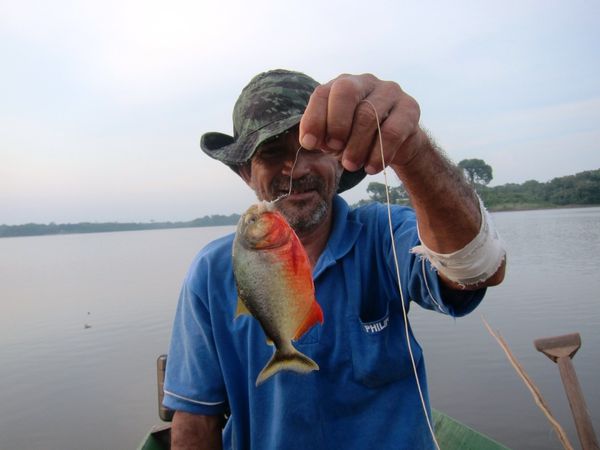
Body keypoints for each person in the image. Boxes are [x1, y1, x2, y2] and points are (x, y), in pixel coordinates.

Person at [163, 69, 506, 450]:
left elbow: (479, 269)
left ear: (340, 161)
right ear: (246, 172)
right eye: (273, 152)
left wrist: (413, 151)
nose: (296, 168)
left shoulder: (383, 234)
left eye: (312, 147)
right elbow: (195, 416)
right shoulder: (211, 272)